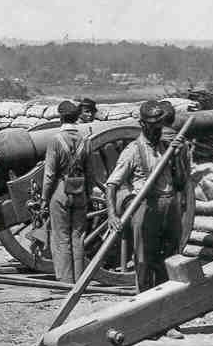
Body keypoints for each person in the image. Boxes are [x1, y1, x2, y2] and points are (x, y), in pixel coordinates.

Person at [106, 100, 190, 292]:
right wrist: (112, 215)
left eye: (160, 124)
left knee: (170, 257)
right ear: (143, 124)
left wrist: (177, 157)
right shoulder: (133, 150)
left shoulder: (167, 147)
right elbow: (111, 184)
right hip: (145, 207)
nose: (157, 129)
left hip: (170, 206)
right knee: (144, 259)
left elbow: (179, 183)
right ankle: (144, 298)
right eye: (153, 125)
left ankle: (166, 297)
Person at [41, 100, 91, 283]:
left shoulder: (55, 140)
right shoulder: (85, 140)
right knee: (78, 237)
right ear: (77, 117)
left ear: (61, 117)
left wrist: (45, 198)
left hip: (60, 191)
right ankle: (79, 279)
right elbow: (90, 172)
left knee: (61, 237)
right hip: (80, 191)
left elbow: (49, 174)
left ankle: (65, 280)